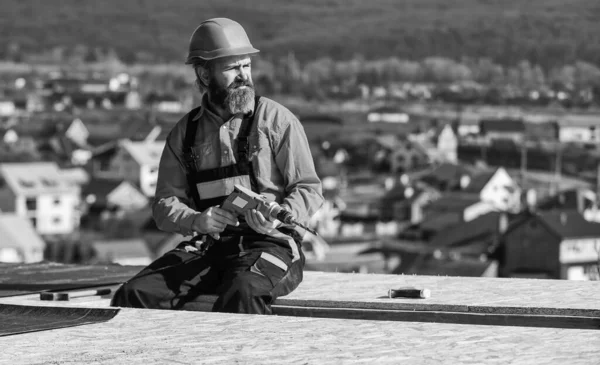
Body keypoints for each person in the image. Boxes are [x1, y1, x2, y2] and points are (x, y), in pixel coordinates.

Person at [111, 18, 323, 314]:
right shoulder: (184, 134)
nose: (243, 76)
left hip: (270, 244)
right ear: (204, 73)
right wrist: (196, 221)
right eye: (232, 68)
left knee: (244, 292)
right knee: (134, 295)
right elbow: (163, 204)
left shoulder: (276, 120)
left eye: (246, 66)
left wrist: (277, 220)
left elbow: (308, 188)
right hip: (209, 246)